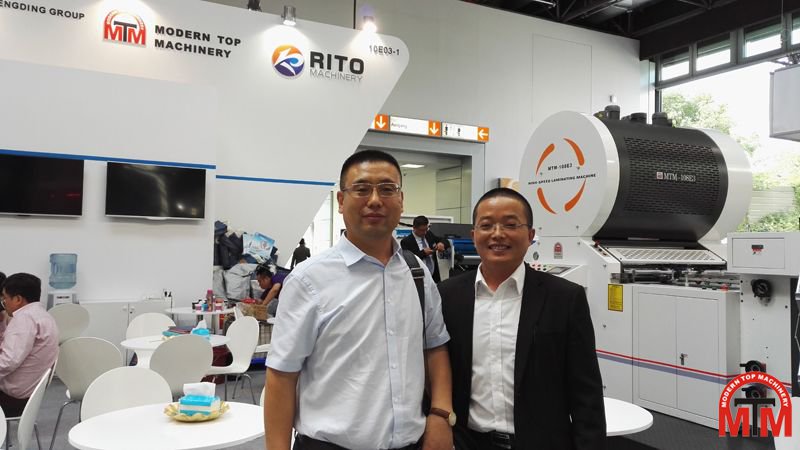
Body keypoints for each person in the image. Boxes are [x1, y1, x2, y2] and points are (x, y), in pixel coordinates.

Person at [265, 150, 454, 450]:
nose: (375, 200)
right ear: (341, 201)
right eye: (362, 189)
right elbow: (281, 377)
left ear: (401, 199)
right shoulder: (308, 280)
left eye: (387, 189)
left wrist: (441, 414)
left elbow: (435, 347)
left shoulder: (417, 273)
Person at [438, 188, 606, 450]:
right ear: (473, 235)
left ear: (530, 235)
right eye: (486, 225)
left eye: (510, 224)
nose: (497, 234)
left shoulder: (564, 298)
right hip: (468, 442)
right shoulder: (447, 296)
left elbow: (586, 392)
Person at [0, 273, 59, 417]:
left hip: (12, 398)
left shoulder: (24, 319)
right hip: (30, 395)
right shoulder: (42, 315)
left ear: (18, 299)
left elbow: (8, 361)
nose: (3, 302)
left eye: (5, 298)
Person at [400, 216, 451, 283]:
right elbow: (408, 260)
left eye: (426, 229)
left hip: (434, 278)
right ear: (414, 228)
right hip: (418, 279)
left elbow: (445, 240)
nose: (424, 232)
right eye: (422, 230)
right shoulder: (406, 242)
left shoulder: (429, 234)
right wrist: (423, 253)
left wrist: (442, 243)